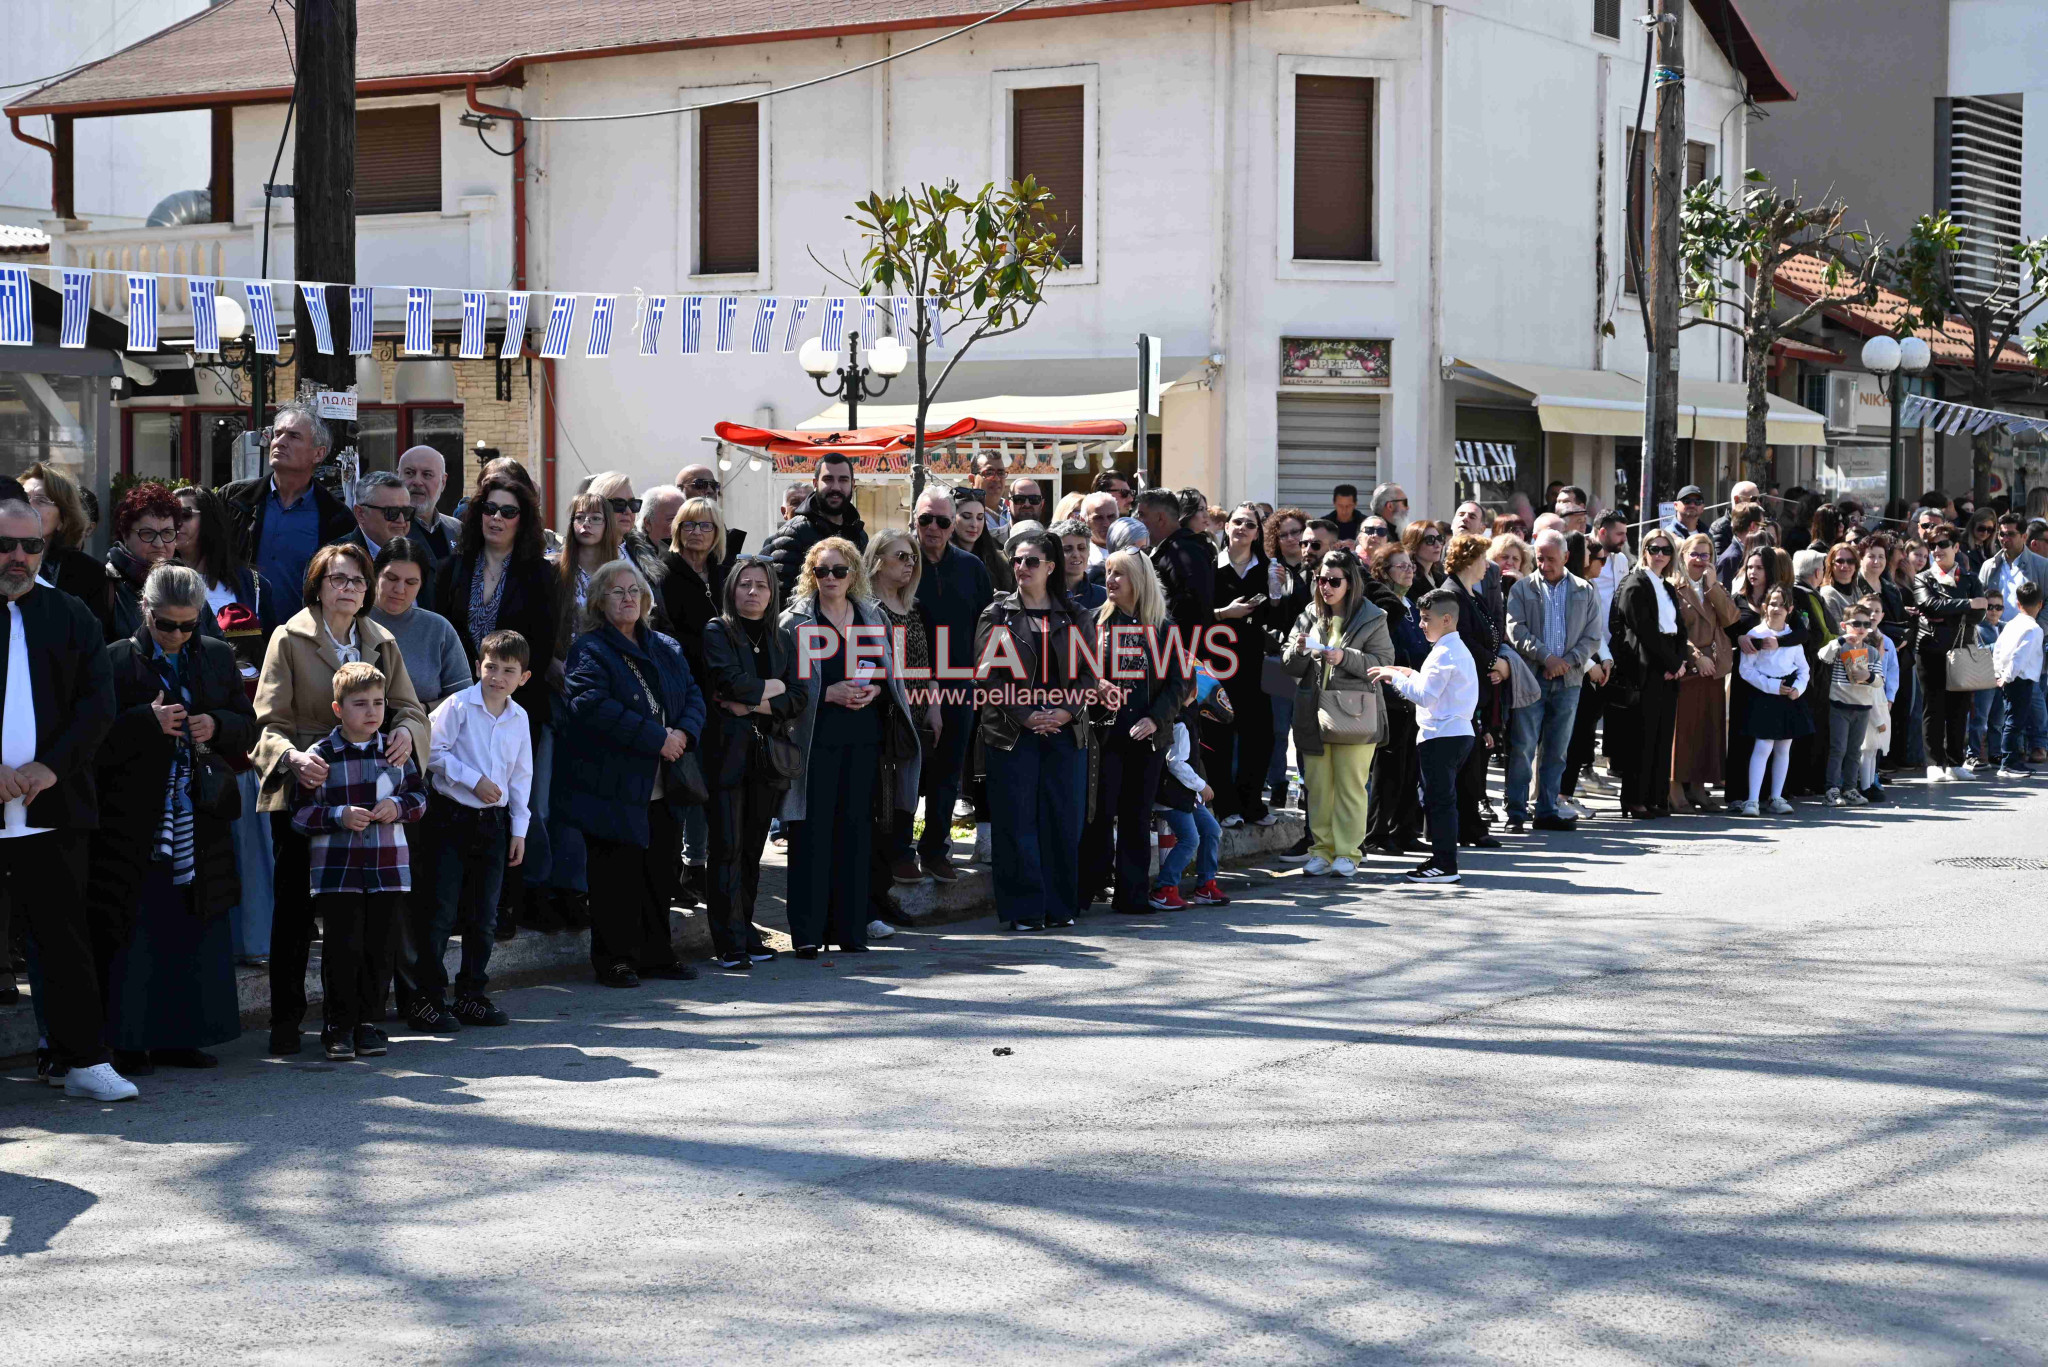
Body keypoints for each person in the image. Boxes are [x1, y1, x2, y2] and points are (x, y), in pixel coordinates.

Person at [252, 541, 430, 1055]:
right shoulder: (289, 637)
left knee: (370, 918)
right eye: (338, 579)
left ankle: (360, 1020)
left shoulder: (381, 640)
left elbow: (410, 709)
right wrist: (293, 759)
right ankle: (286, 1021)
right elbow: (268, 724)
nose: (348, 588)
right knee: (293, 911)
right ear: (319, 585)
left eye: (357, 580)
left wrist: (406, 735)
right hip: (307, 786)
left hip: (370, 788)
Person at [89, 563, 255, 1076]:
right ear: (146, 611)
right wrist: (147, 723)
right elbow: (91, 738)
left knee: (193, 929)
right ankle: (131, 1042)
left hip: (197, 817)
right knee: (136, 932)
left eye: (189, 625)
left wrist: (216, 724)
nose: (179, 635)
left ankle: (183, 1037)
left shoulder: (218, 655)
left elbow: (248, 724)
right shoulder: (115, 659)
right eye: (168, 625)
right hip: (134, 820)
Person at [0, 488, 126, 1098]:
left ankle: (84, 1062)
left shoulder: (72, 614)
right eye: (6, 546)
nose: (18, 557)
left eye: (31, 545)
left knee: (63, 938)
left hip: (52, 805)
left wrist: (50, 768)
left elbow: (96, 706)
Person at [558, 559, 705, 986]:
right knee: (614, 878)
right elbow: (590, 706)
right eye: (616, 591)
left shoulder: (666, 646)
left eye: (633, 591)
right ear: (600, 602)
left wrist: (682, 734)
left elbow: (693, 695)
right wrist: (655, 737)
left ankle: (658, 954)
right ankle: (615, 960)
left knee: (659, 872)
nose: (627, 598)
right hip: (613, 781)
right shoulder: (589, 649)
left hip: (665, 778)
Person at [781, 539, 920, 951]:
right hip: (814, 742)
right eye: (822, 571)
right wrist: (828, 695)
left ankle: (850, 930)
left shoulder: (872, 616)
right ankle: (807, 934)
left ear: (854, 575)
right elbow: (788, 689)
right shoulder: (795, 623)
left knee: (856, 834)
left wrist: (873, 691)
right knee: (810, 835)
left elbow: (887, 675)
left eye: (839, 571)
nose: (831, 578)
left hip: (863, 741)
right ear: (811, 575)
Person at [290, 661, 430, 1060]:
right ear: (338, 709)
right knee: (342, 947)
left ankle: (368, 1022)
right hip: (339, 872)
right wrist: (338, 816)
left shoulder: (396, 750)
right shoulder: (320, 755)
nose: (371, 712)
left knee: (380, 948)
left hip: (387, 869)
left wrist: (397, 806)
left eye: (378, 703)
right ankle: (338, 1025)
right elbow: (300, 814)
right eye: (359, 704)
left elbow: (420, 799)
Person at [173, 484, 281, 966]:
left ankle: (256, 943)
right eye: (167, 516)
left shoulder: (249, 586)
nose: (176, 525)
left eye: (186, 514)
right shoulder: (159, 584)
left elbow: (272, 656)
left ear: (210, 520)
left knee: (253, 851)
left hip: (244, 737)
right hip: (184, 733)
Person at [406, 629, 534, 1032]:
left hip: (493, 825)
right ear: (479, 665)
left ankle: (472, 995)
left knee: (485, 916)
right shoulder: (458, 706)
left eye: (508, 670)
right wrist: (471, 779)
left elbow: (521, 775)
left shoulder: (520, 717)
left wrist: (519, 828)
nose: (497, 677)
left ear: (523, 678)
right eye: (490, 666)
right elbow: (431, 752)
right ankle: (427, 998)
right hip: (451, 817)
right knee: (440, 911)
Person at [974, 528, 1096, 931]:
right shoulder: (997, 615)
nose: (1021, 568)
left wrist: (1064, 711)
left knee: (1063, 819)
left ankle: (1060, 907)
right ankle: (1024, 910)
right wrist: (1025, 715)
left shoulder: (1076, 615)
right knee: (1017, 821)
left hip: (1064, 731)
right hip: (1013, 732)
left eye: (1030, 561)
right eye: (1016, 561)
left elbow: (1088, 676)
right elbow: (988, 677)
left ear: (1050, 567)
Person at [700, 556, 805, 970]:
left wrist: (754, 704)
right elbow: (729, 683)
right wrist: (768, 694)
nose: (753, 592)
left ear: (772, 592)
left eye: (761, 585)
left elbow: (798, 695)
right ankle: (727, 941)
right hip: (726, 756)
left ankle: (747, 929)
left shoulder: (780, 637)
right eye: (745, 584)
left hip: (767, 760)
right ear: (732, 589)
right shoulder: (718, 631)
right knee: (726, 848)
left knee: (751, 853)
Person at [1282, 549, 1392, 877]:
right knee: (1316, 785)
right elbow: (1290, 665)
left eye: (1333, 581)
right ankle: (1321, 850)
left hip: (1353, 713)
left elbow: (1383, 663)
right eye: (1321, 580)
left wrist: (1345, 658)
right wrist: (1299, 651)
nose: (1326, 587)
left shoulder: (1374, 617)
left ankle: (1348, 852)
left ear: (1350, 582)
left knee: (1350, 785)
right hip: (1313, 712)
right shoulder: (1308, 614)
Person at [1083, 548, 1181, 912]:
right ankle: (1085, 890)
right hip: (1103, 736)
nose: (1109, 580)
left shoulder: (1164, 628)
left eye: (1119, 574)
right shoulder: (1094, 622)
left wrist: (1155, 719)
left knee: (1138, 818)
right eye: (1107, 572)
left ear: (1138, 580)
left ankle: (1132, 896)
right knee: (1098, 815)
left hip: (1147, 738)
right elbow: (1078, 672)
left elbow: (1178, 683)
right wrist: (1098, 682)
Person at [911, 487, 994, 881]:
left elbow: (986, 628)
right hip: (907, 684)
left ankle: (935, 848)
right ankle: (895, 849)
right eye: (926, 519)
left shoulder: (972, 568)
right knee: (905, 769)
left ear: (953, 525)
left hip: (960, 685)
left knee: (948, 771)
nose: (934, 528)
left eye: (943, 521)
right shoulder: (899, 561)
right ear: (914, 519)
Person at [1371, 588, 1478, 884]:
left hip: (1442, 737)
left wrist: (1395, 678)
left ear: (1446, 619)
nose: (1420, 624)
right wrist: (1407, 672)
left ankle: (1445, 865)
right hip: (1453, 734)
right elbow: (1433, 687)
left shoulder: (1444, 652)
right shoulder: (1452, 649)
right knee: (1440, 801)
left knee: (1439, 802)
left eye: (1426, 618)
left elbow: (1425, 696)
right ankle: (1441, 859)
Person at [1503, 530, 1601, 833]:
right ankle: (1516, 812)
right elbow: (1515, 630)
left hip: (1568, 682)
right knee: (1523, 747)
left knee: (1557, 749)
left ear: (1567, 557)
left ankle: (1546, 810)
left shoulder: (1585, 590)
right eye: (1540, 558)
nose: (1544, 565)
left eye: (1551, 559)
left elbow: (1592, 637)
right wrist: (1547, 658)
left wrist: (1565, 663)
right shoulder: (1522, 589)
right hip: (1532, 679)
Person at [659, 494, 730, 904]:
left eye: (705, 525)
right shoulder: (666, 571)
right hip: (683, 688)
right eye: (688, 524)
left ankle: (696, 867)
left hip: (720, 691)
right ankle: (675, 870)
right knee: (681, 782)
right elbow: (666, 630)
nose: (696, 532)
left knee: (708, 783)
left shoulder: (723, 572)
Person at [866, 527, 943, 906]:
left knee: (909, 789)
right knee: (880, 798)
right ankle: (881, 879)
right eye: (901, 556)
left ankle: (901, 851)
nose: (910, 563)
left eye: (912, 557)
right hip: (881, 714)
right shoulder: (865, 609)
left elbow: (925, 662)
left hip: (915, 714)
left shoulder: (914, 608)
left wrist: (934, 705)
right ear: (878, 561)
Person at [218, 403, 356, 612]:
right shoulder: (234, 499)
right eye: (278, 434)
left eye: (293, 436)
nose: (280, 442)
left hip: (302, 637)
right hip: (237, 632)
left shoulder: (337, 518)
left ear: (318, 454)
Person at [1608, 531, 1687, 820]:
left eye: (1666, 550)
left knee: (1663, 736)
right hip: (1645, 665)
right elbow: (1643, 629)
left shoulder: (1666, 585)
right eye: (1654, 549)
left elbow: (1679, 627)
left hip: (1669, 663)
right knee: (1641, 737)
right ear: (1645, 550)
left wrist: (1679, 662)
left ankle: (1655, 797)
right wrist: (1669, 661)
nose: (1660, 555)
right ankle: (1634, 799)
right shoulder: (1635, 582)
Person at [1210, 503, 1275, 826]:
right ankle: (1226, 806)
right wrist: (1225, 613)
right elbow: (1195, 614)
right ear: (1225, 527)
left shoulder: (1268, 569)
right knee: (1218, 735)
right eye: (1237, 522)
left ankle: (1252, 805)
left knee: (1259, 737)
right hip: (1216, 663)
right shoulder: (1209, 566)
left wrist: (1278, 594)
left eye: (1250, 525)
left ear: (1257, 532)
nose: (1242, 528)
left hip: (1254, 665)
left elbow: (1279, 617)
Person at [1363, 541, 1427, 854]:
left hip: (1414, 695)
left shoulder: (1413, 604)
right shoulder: (1382, 608)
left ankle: (1405, 829)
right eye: (1401, 565)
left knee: (1409, 769)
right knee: (1388, 770)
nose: (1409, 569)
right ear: (1383, 572)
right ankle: (1377, 832)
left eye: (1410, 564)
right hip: (1391, 695)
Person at [1443, 532, 1506, 848]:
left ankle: (1470, 823)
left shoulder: (1474, 596)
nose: (1488, 565)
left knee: (1475, 760)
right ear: (1469, 559)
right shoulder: (1450, 594)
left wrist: (1497, 662)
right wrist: (1493, 664)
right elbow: (1461, 639)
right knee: (1464, 763)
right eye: (1483, 558)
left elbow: (1492, 633)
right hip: (1460, 690)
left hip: (1478, 688)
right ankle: (1463, 825)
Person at [1670, 532, 1740, 809]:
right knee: (1682, 732)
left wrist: (1712, 587)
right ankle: (1674, 788)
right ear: (1683, 556)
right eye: (1695, 554)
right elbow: (1673, 630)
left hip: (1714, 667)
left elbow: (1731, 618)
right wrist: (1696, 656)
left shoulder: (1714, 585)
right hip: (1688, 666)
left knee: (1706, 732)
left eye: (1706, 555)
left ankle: (1698, 787)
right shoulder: (1672, 586)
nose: (1700, 560)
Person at [1914, 524, 1988, 781]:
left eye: (1943, 544)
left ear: (1956, 548)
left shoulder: (1970, 579)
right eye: (1933, 545)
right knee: (1933, 707)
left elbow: (1981, 613)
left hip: (1962, 649)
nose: (1937, 550)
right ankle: (1934, 763)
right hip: (1931, 649)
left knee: (1959, 708)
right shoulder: (1924, 577)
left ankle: (1956, 762)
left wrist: (1951, 611)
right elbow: (1930, 605)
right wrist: (1966, 604)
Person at [1733, 585, 1812, 817]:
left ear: (1790, 609)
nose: (1776, 608)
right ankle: (1752, 800)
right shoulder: (1756, 634)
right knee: (1763, 746)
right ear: (1765, 606)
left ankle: (1776, 797)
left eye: (1782, 604)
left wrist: (1797, 688)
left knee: (1783, 747)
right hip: (1765, 695)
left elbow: (1804, 669)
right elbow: (1746, 671)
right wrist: (1772, 686)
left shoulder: (1792, 638)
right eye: (1772, 603)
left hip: (1788, 696)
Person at [366, 537, 471, 713]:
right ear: (376, 575)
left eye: (411, 582)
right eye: (392, 578)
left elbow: (464, 695)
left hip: (425, 732)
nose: (400, 589)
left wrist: (423, 709)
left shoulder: (438, 629)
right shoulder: (351, 620)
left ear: (421, 585)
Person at [1149, 700, 1225, 910]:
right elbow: (1175, 763)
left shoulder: (1190, 721)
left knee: (1211, 830)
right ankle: (1163, 890)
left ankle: (1205, 886)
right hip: (1171, 795)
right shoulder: (1181, 723)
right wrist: (1201, 786)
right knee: (1190, 840)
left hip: (1186, 795)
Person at [1262, 509, 1314, 809]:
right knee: (1279, 728)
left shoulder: (1316, 568)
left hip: (1312, 658)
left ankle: (1308, 786)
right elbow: (1272, 616)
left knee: (1307, 728)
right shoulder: (1272, 568)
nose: (1292, 539)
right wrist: (1277, 592)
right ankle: (1279, 784)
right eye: (1284, 535)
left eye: (1297, 532)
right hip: (1281, 656)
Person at [100, 481, 188, 643]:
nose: (159, 544)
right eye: (147, 533)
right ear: (125, 535)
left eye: (167, 533)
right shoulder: (104, 585)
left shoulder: (186, 583)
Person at [21, 462, 111, 616]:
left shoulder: (89, 575)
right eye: (23, 498)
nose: (28, 506)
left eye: (41, 500)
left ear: (62, 519)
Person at [1815, 603, 1884, 803]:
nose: (1861, 628)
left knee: (1855, 751)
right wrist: (1840, 640)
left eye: (1865, 623)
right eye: (1856, 623)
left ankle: (1850, 788)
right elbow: (1823, 656)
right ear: (1845, 625)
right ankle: (1832, 789)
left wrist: (1868, 675)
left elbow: (1879, 680)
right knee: (1838, 749)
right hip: (1840, 705)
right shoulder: (1841, 647)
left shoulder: (1872, 652)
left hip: (1862, 708)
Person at [344, 472, 434, 606]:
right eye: (391, 512)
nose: (401, 520)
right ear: (360, 513)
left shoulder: (420, 555)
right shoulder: (337, 559)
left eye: (406, 512)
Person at [1993, 581, 2044, 779]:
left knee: (2011, 719)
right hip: (2019, 679)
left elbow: (1998, 649)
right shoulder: (2034, 629)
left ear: (2017, 603)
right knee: (2015, 721)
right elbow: (2020, 657)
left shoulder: (2012, 623)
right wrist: (2007, 676)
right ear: (2039, 604)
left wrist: (2000, 673)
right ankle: (2008, 763)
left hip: (2008, 677)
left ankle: (2011, 760)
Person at [397, 445, 462, 564]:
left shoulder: (457, 530)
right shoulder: (387, 528)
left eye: (427, 474)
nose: (417, 482)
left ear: (443, 481)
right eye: (409, 473)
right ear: (398, 476)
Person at [949, 486, 1011, 593]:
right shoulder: (940, 558)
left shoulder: (999, 563)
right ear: (952, 518)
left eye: (980, 517)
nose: (974, 524)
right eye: (967, 516)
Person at [1055, 518, 1106, 613]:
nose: (1076, 554)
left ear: (1088, 552)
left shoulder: (1105, 598)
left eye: (1081, 548)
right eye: (1067, 549)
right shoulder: (1041, 596)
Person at [1710, 481, 1761, 555]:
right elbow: (1721, 561)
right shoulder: (1720, 527)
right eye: (1753, 499)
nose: (1758, 503)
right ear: (1737, 500)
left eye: (1759, 499)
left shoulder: (1758, 523)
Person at [639, 484, 686, 557]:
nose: (680, 526)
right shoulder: (634, 562)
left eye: (684, 519)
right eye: (672, 519)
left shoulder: (694, 557)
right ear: (648, 523)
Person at [1402, 520, 1445, 590]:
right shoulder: (1409, 580)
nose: (1438, 545)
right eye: (1430, 540)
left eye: (1439, 538)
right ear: (1414, 545)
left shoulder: (1440, 577)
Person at [1082, 492, 1120, 567]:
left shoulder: (1130, 549)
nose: (1106, 524)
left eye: (1111, 517)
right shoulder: (1082, 556)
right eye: (1098, 518)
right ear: (1084, 521)